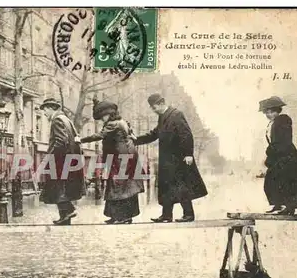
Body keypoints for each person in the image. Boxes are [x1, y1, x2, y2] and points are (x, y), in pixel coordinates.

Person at [135, 93, 208, 223]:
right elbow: (154, 134)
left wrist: (188, 154)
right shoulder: (162, 117)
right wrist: (136, 140)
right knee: (166, 187)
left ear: (161, 104)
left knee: (181, 186)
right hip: (167, 160)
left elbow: (186, 134)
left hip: (179, 158)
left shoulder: (176, 115)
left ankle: (189, 215)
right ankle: (166, 215)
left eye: (154, 107)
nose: (153, 110)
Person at [80, 101, 144, 224]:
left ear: (109, 114)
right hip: (125, 157)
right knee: (120, 186)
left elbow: (99, 135)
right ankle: (117, 216)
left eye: (103, 117)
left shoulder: (113, 124)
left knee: (120, 187)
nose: (102, 120)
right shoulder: (122, 122)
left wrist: (81, 139)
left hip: (122, 158)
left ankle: (123, 217)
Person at [39, 98, 86, 225]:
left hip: (60, 160)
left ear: (50, 108)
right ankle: (65, 217)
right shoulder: (67, 120)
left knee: (57, 188)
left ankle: (69, 210)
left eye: (45, 110)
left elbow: (60, 141)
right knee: (62, 188)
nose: (44, 113)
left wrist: (49, 157)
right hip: (70, 159)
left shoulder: (57, 120)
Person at [259, 96, 297, 215]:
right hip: (279, 155)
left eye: (272, 111)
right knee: (274, 181)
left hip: (286, 156)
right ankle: (279, 205)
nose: (269, 114)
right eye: (267, 112)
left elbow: (282, 140)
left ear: (278, 110)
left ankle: (287, 207)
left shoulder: (282, 120)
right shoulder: (273, 123)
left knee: (286, 181)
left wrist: (271, 151)